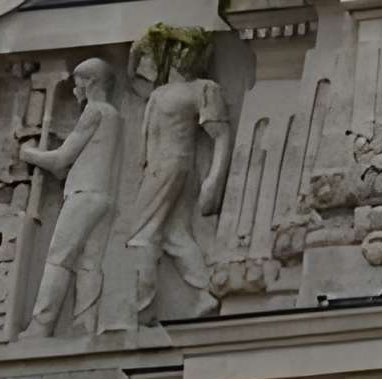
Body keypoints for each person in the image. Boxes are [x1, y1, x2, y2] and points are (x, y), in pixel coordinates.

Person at [124, 29, 231, 323]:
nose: (186, 56)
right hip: (160, 167)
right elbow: (134, 78)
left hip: (172, 166)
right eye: (180, 49)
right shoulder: (161, 92)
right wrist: (138, 51)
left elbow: (221, 135)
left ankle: (139, 312)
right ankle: (206, 292)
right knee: (175, 235)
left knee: (141, 235)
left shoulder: (202, 88)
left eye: (191, 50)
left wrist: (214, 180)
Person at [18, 57, 124, 336]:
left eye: (78, 84)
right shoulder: (114, 115)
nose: (75, 91)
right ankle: (85, 325)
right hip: (103, 197)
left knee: (58, 259)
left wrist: (28, 153)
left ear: (90, 82)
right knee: (89, 263)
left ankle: (41, 327)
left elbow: (61, 160)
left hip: (84, 195)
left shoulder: (95, 111)